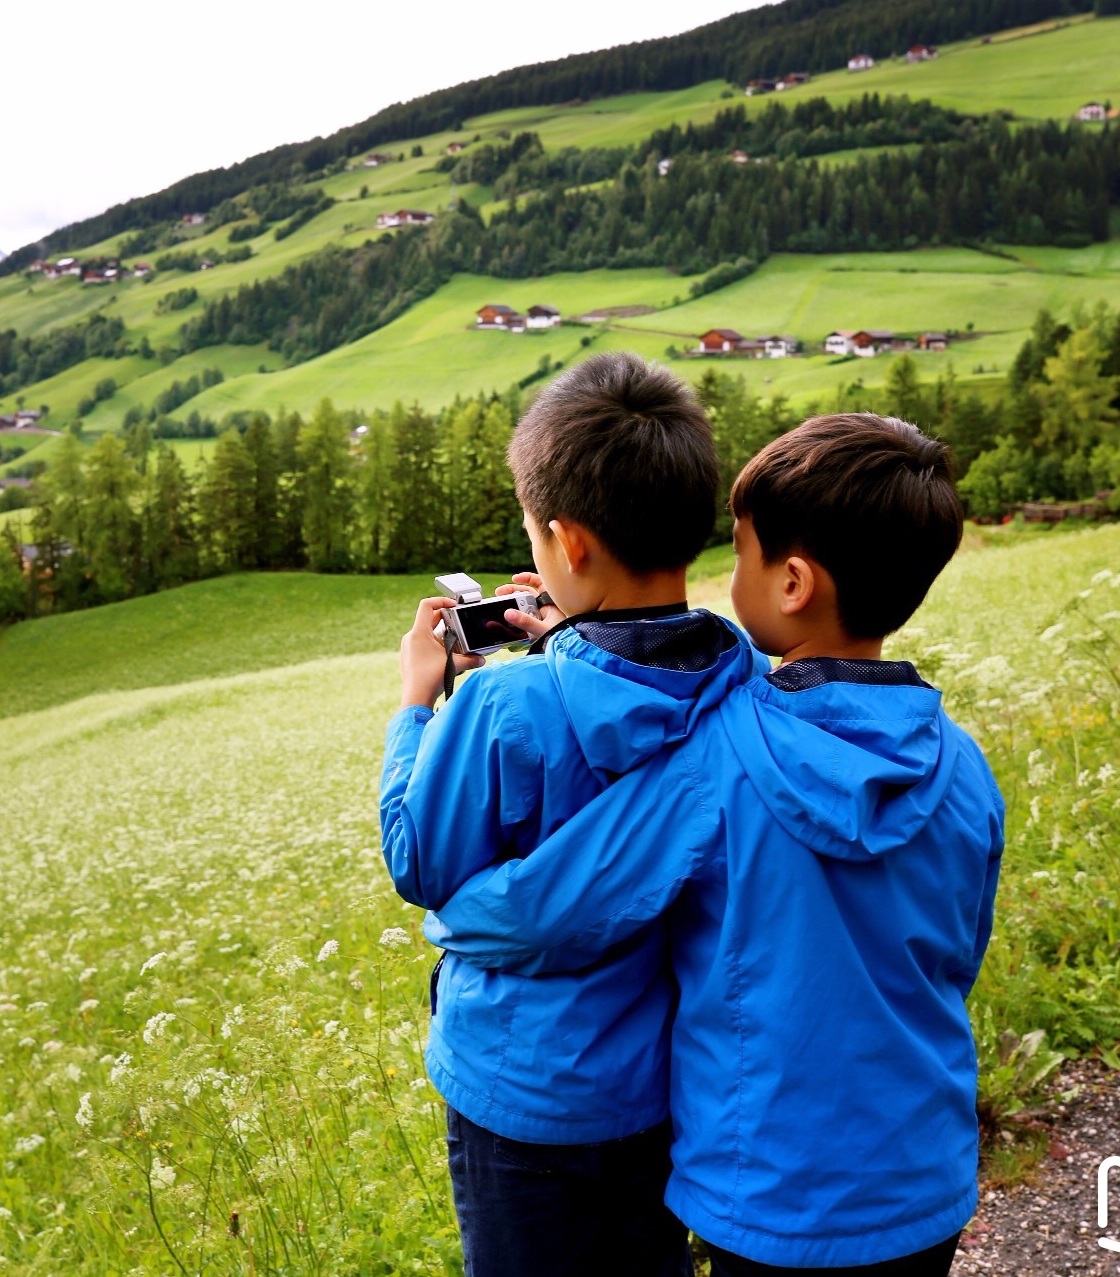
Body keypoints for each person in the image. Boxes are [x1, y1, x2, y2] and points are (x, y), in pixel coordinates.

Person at [425, 413, 1005, 1275]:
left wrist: (453, 919)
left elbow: (552, 911)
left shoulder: (724, 753)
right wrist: (565, 633)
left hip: (767, 1192)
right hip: (923, 1180)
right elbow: (958, 953)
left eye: (741, 555)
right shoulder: (963, 766)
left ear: (794, 582)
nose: (730, 577)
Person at [378, 352, 765, 1276]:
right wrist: (568, 634)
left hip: (521, 1097)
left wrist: (415, 705)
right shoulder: (741, 679)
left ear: (567, 544)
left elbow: (416, 863)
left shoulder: (501, 707)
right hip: (669, 1086)